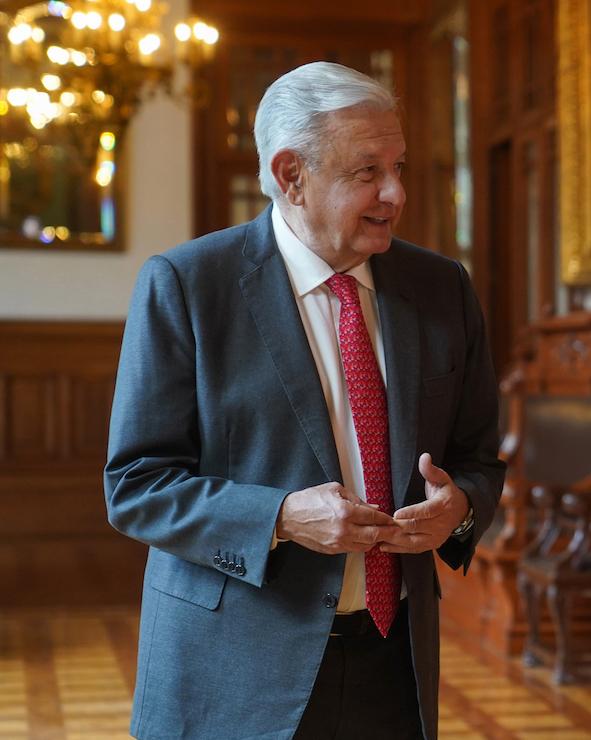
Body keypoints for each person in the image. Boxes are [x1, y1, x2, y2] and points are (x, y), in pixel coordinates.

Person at [104, 61, 504, 739]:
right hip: (233, 667)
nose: (396, 192)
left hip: (394, 664)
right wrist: (281, 517)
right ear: (291, 175)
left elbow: (479, 459)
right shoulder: (188, 284)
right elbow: (137, 487)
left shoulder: (442, 288)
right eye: (368, 172)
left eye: (399, 166)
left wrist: (458, 514)